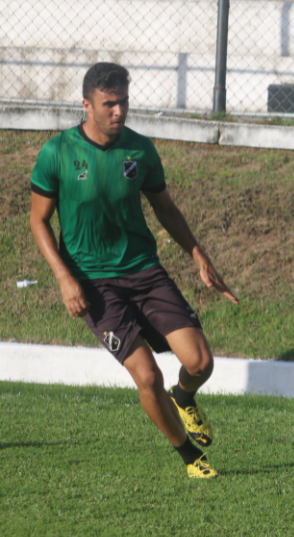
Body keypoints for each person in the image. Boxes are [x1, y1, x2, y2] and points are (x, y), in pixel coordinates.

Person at [29, 62, 239, 478]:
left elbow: (165, 208)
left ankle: (184, 396)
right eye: (110, 104)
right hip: (93, 282)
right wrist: (63, 277)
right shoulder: (58, 153)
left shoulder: (140, 149)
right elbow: (38, 221)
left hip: (144, 270)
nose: (119, 111)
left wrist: (198, 255)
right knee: (147, 375)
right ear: (86, 104)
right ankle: (190, 456)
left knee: (200, 362)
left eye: (124, 102)